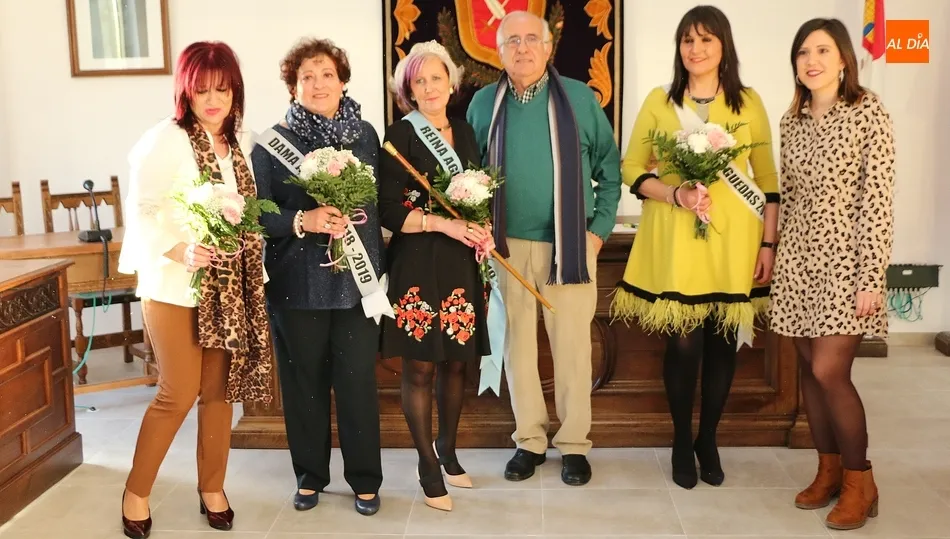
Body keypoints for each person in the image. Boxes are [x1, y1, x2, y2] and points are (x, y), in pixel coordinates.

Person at [609, 5, 780, 490]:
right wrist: (675, 193)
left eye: (706, 39)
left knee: (723, 344)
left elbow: (767, 180)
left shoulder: (748, 103)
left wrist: (768, 242)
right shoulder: (660, 101)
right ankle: (682, 440)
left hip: (734, 242)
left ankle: (709, 439)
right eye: (687, 40)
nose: (695, 49)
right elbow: (631, 168)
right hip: (677, 239)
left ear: (724, 46)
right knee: (684, 345)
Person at [117, 41, 273, 537]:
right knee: (177, 392)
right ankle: (136, 491)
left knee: (217, 394)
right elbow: (140, 211)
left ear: (235, 92)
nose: (212, 100)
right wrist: (181, 250)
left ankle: (212, 488)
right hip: (174, 287)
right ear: (186, 91)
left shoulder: (240, 142)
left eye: (222, 90)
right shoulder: (166, 139)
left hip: (227, 288)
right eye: (202, 90)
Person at [467, 10, 622, 486]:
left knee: (572, 347)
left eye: (531, 39)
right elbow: (469, 176)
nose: (522, 48)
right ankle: (529, 440)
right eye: (512, 41)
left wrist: (597, 232)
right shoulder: (483, 104)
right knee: (516, 346)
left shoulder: (579, 98)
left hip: (569, 245)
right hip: (506, 247)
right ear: (498, 52)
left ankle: (574, 444)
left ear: (549, 47)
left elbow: (610, 170)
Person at [251, 37, 385, 516]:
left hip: (356, 285)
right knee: (303, 386)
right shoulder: (270, 144)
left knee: (357, 385)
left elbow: (377, 204)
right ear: (293, 87)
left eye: (327, 74)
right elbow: (257, 212)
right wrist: (301, 220)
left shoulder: (365, 135)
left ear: (343, 81)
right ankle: (310, 477)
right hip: (296, 286)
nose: (318, 83)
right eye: (306, 76)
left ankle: (365, 480)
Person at [771, 18, 894, 531]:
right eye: (803, 52)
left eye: (822, 50)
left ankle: (860, 480)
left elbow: (878, 201)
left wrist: (871, 277)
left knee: (829, 371)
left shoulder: (868, 112)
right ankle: (828, 471)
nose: (811, 60)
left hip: (846, 261)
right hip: (798, 261)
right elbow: (788, 195)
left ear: (844, 58)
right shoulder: (791, 121)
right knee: (808, 372)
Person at [379, 41, 493, 512]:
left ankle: (448, 449)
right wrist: (443, 223)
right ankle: (427, 465)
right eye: (419, 81)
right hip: (416, 262)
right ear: (409, 90)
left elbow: (479, 193)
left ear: (452, 83)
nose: (429, 88)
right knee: (422, 365)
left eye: (436, 78)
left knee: (457, 362)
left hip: (459, 262)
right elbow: (388, 210)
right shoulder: (400, 135)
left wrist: (483, 228)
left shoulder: (464, 132)